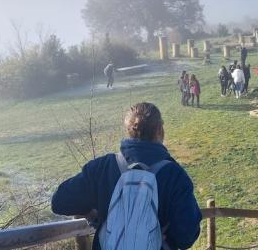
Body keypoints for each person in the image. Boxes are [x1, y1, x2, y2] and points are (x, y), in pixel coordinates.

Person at [52, 102, 202, 250]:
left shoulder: (102, 167)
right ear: (159, 129)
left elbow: (59, 201)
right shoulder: (175, 175)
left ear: (128, 130)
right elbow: (186, 237)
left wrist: (94, 215)